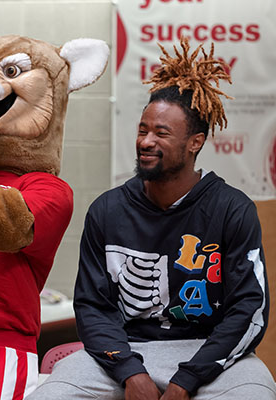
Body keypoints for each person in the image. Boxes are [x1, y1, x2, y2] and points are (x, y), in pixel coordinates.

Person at [30, 38, 276, 400]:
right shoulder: (107, 209)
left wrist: (188, 378)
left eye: (161, 133)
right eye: (143, 130)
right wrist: (129, 371)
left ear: (195, 142)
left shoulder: (231, 209)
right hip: (123, 351)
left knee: (257, 394)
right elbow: (93, 307)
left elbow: (248, 310)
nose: (146, 141)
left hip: (209, 353)